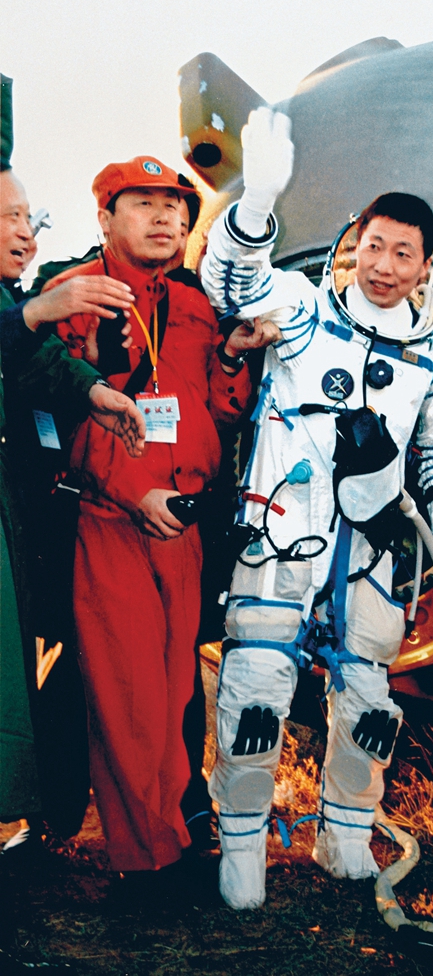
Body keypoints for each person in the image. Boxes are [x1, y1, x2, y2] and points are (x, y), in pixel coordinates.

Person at [200, 108, 433, 909]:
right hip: (287, 527)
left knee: (369, 701)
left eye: (403, 253)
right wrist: (257, 202)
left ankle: (346, 835)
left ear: (425, 266)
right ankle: (242, 845)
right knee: (255, 687)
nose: (384, 266)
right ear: (354, 245)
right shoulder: (301, 309)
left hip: (372, 538)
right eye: (374, 246)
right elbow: (231, 287)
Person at [47, 155, 270, 880]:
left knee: (175, 691)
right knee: (129, 695)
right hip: (113, 521)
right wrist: (133, 492)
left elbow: (221, 411)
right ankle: (149, 860)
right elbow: (64, 422)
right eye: (142, 203)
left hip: (183, 523)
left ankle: (173, 831)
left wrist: (231, 358)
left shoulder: (195, 305)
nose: (165, 216)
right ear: (105, 217)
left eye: (175, 205)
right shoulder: (73, 297)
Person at [0, 166, 145, 831]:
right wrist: (37, 312)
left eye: (27, 218)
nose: (25, 234)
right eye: (10, 217)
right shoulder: (24, 308)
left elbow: (39, 363)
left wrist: (97, 390)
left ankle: (46, 814)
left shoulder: (13, 305)